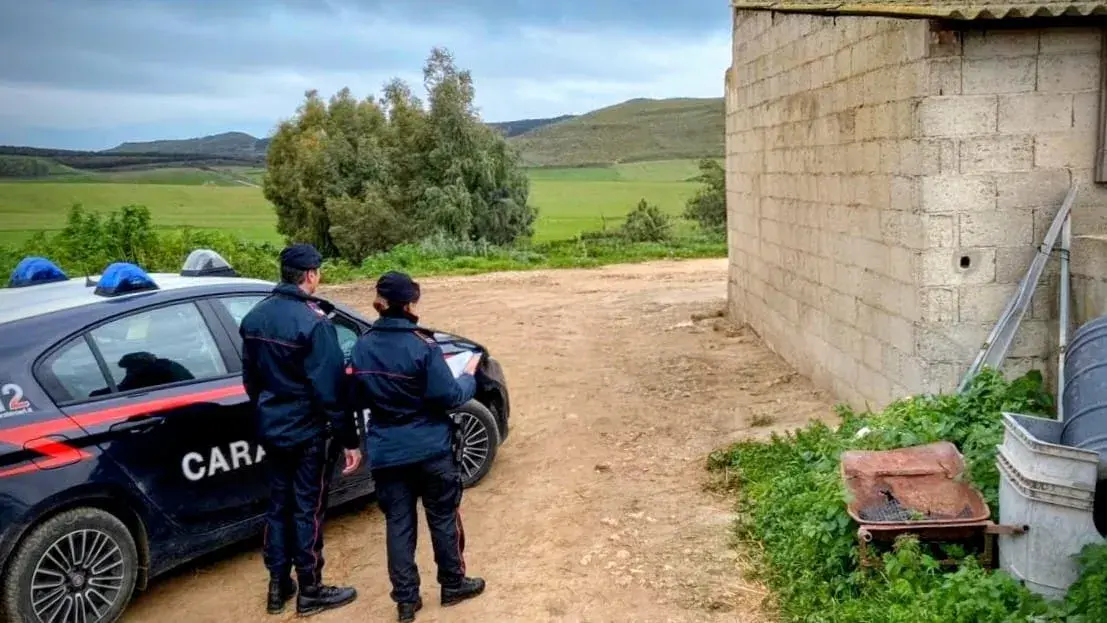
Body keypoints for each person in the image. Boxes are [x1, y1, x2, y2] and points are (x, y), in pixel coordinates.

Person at [348, 271, 486, 622]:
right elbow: (451, 396)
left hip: (387, 452)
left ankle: (406, 601)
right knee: (442, 517)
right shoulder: (422, 346)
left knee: (398, 524)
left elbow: (354, 397)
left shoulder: (361, 346)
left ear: (380, 301)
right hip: (430, 449)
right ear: (410, 303)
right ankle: (453, 584)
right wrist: (469, 374)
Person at [239, 243, 363, 617]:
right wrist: (349, 440)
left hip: (272, 428)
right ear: (310, 275)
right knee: (307, 508)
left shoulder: (254, 318)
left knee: (279, 505)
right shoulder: (315, 324)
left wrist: (268, 411)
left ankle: (278, 586)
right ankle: (311, 588)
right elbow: (331, 391)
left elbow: (251, 381)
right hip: (307, 432)